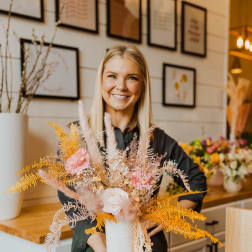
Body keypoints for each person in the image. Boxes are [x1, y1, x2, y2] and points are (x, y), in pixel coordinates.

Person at [58, 45, 207, 252]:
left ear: (142, 85)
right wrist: (98, 242)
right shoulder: (76, 135)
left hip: (145, 245)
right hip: (95, 247)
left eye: (132, 78)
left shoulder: (157, 140)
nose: (121, 86)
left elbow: (197, 182)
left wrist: (165, 217)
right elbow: (68, 197)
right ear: (101, 80)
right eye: (112, 76)